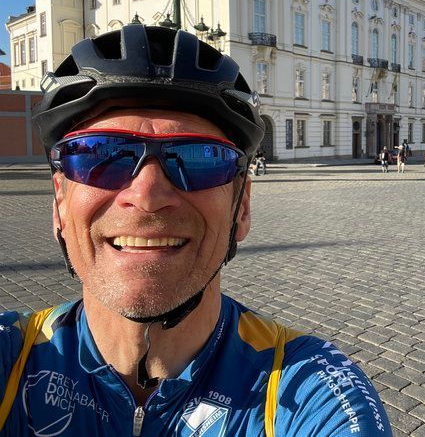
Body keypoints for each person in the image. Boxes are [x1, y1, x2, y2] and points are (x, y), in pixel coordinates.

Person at [0, 26, 391, 435]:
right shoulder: (12, 356)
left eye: (201, 157)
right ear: (60, 204)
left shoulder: (309, 392)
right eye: (100, 154)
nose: (147, 195)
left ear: (242, 208)